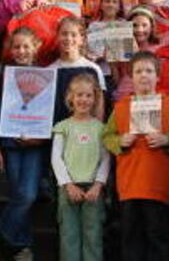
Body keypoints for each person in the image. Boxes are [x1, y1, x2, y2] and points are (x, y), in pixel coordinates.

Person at [102, 51, 169, 261]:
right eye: (138, 71)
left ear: (158, 76)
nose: (144, 75)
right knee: (131, 238)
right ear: (131, 77)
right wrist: (119, 142)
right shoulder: (121, 106)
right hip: (129, 185)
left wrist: (167, 140)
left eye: (149, 71)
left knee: (157, 237)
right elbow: (107, 136)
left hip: (157, 185)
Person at [0, 27, 44, 260]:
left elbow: (48, 113)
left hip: (35, 144)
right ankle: (22, 246)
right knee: (18, 194)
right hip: (10, 143)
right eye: (17, 46)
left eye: (26, 46)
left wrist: (42, 136)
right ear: (11, 49)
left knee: (28, 194)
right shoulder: (5, 75)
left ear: (36, 47)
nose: (21, 51)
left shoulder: (46, 74)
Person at [51, 74, 111, 261]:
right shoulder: (63, 127)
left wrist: (98, 185)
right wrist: (67, 184)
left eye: (88, 95)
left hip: (93, 189)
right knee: (69, 234)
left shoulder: (101, 128)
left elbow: (105, 159)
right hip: (68, 189)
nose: (83, 100)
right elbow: (56, 158)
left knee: (92, 234)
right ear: (71, 98)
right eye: (79, 95)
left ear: (94, 99)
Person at [48, 16, 107, 119]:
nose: (68, 38)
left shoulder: (93, 69)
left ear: (82, 39)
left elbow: (98, 107)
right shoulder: (49, 71)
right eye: (64, 34)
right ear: (57, 37)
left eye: (73, 35)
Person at [112, 6, 160, 101]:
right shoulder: (124, 47)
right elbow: (118, 79)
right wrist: (112, 64)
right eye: (134, 25)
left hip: (146, 99)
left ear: (152, 27)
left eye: (144, 25)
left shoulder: (158, 50)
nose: (139, 30)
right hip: (123, 96)